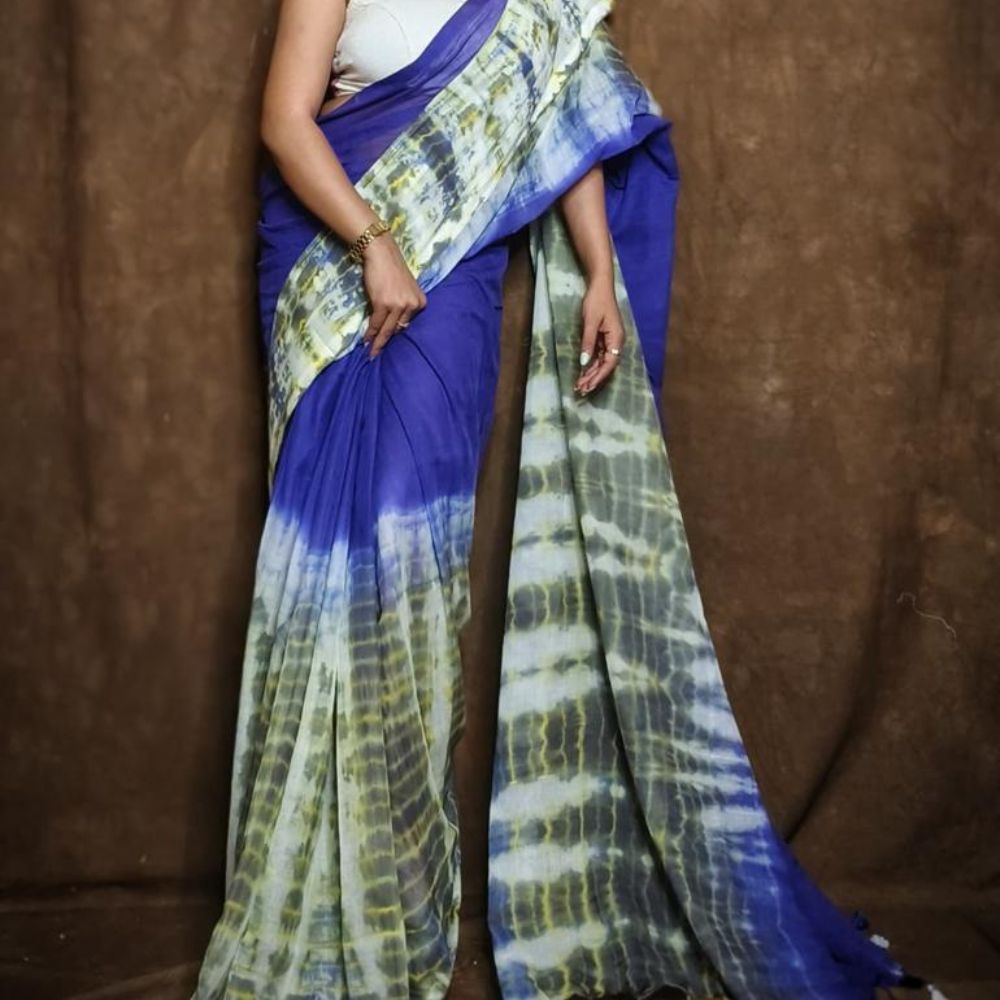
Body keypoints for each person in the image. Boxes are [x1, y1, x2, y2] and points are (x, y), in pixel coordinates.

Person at [191, 1, 937, 998]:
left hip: (445, 290)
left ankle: (394, 910)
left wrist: (597, 268)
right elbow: (286, 121)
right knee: (314, 590)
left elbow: (559, 105)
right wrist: (373, 243)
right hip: (328, 270)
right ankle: (299, 902)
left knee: (413, 598)